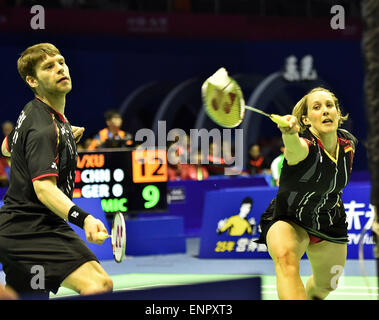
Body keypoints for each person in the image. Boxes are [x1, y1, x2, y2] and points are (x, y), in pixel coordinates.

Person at [0, 43, 113, 299]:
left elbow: (7, 147)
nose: (60, 69)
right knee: (99, 285)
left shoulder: (35, 113)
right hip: (32, 228)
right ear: (32, 80)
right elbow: (44, 189)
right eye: (48, 67)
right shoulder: (44, 128)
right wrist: (85, 219)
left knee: (27, 297)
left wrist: (61, 135)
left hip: (15, 229)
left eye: (61, 62)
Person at [256, 87, 357, 300]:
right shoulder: (305, 147)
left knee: (327, 286)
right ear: (307, 119)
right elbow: (294, 147)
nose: (325, 111)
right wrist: (289, 133)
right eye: (317, 107)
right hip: (290, 218)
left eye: (330, 106)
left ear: (338, 113)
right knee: (285, 259)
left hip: (329, 219)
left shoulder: (348, 145)